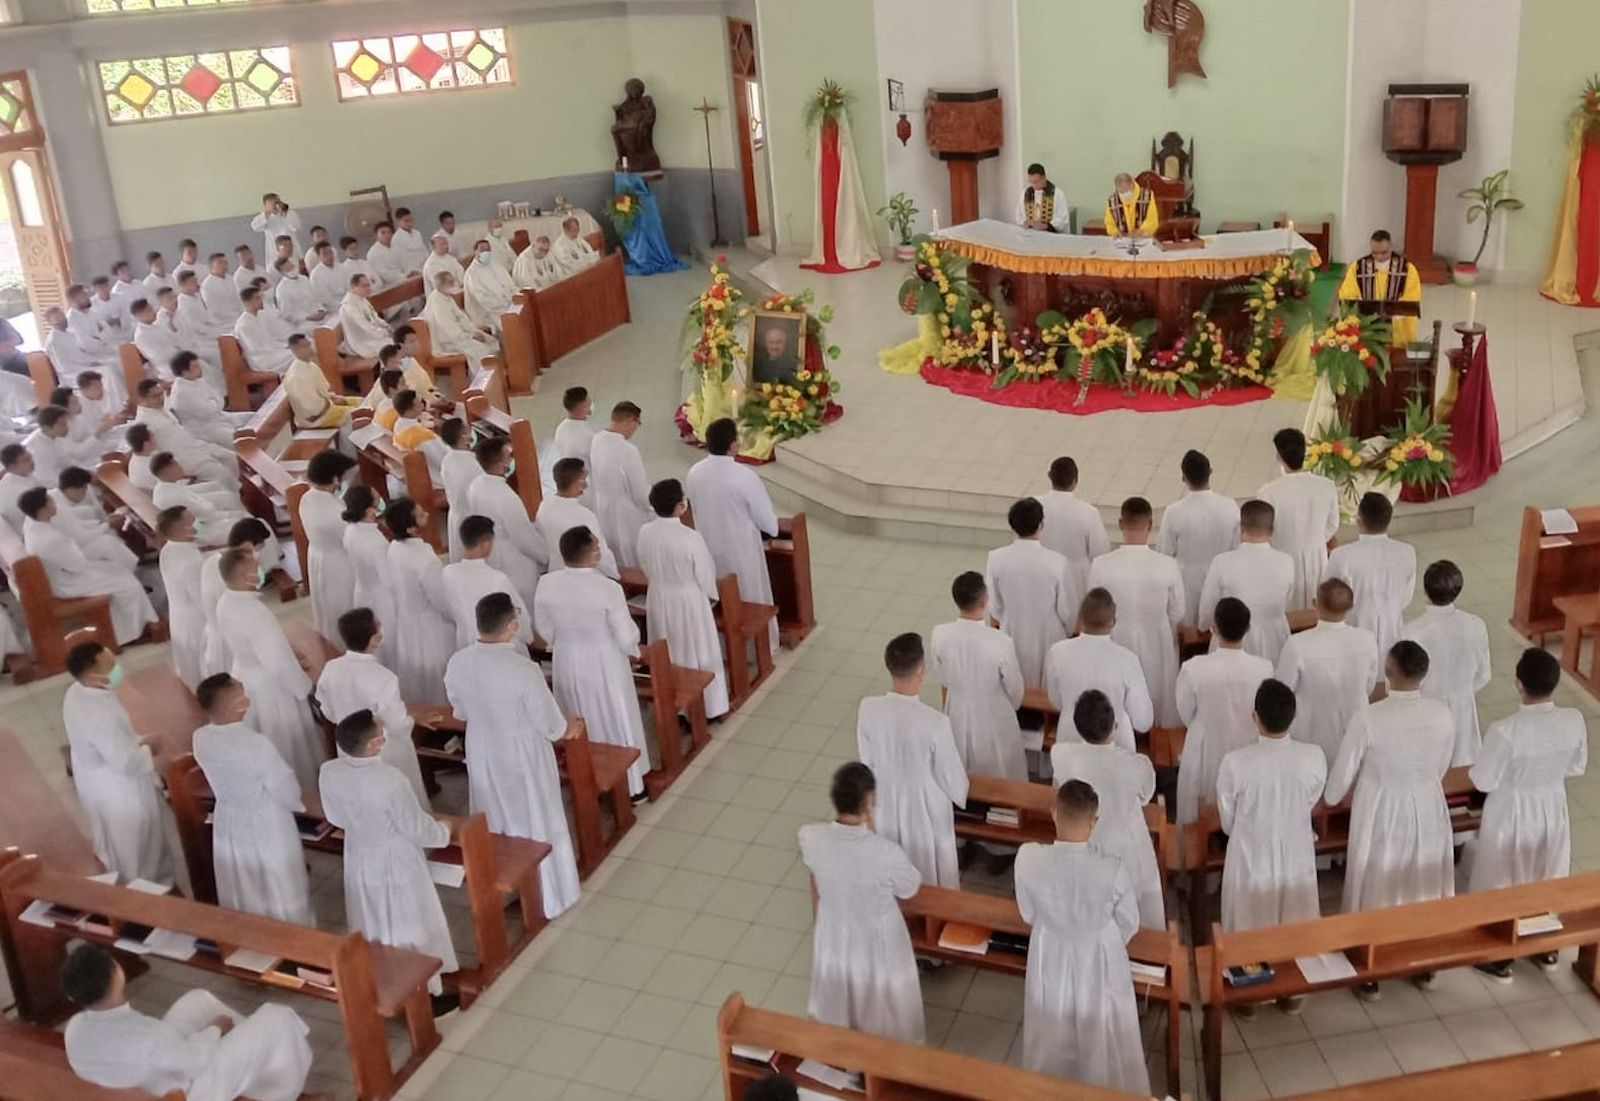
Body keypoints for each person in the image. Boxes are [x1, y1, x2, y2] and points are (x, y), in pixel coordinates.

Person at [1325, 641, 1454, 997]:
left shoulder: (1370, 717)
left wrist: (1332, 797)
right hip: (1426, 799)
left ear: (1389, 672)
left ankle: (1371, 965)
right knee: (1420, 876)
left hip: (1381, 804)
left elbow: (1341, 778)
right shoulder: (1442, 713)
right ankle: (1424, 961)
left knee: (1380, 875)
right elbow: (1443, 763)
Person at [445, 591, 582, 918]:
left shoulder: (459, 662)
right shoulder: (523, 670)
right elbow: (549, 723)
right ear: (511, 626)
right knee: (534, 813)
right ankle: (549, 892)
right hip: (522, 752)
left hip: (482, 748)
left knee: (496, 813)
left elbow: (460, 710)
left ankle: (507, 886)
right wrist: (569, 729)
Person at [318, 709, 459, 1012]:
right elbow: (415, 828)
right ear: (372, 745)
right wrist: (445, 832)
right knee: (409, 920)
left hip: (359, 854)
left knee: (374, 918)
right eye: (380, 732)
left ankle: (382, 979)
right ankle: (424, 993)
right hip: (395, 858)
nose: (384, 735)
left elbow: (334, 816)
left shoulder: (330, 771)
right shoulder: (389, 779)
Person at [1015, 779, 1147, 1092]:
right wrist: (1105, 941)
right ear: (1094, 821)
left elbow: (1028, 913)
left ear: (1053, 813)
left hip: (1050, 948)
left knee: (1052, 1018)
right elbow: (1129, 921)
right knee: (1102, 1022)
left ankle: (1052, 1085)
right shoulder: (1111, 868)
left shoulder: (1028, 857)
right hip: (1099, 953)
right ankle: (1103, 1084)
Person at [60, 944, 316, 1101]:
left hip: (150, 1080)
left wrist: (212, 1031)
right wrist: (215, 1030)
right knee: (276, 1017)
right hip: (186, 1093)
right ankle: (282, 1092)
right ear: (116, 975)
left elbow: (161, 1051)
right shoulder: (147, 1037)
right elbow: (194, 1063)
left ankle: (257, 1070)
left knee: (197, 1001)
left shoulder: (74, 1029)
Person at [1469, 648, 1588, 982]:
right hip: (1551, 802)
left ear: (1518, 685)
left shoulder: (1506, 730)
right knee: (1545, 869)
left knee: (1504, 874)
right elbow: (1577, 767)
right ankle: (1544, 944)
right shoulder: (1573, 719)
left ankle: (1500, 955)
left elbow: (1483, 779)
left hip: (1512, 807)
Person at [799, 762, 924, 1044]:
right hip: (876, 937)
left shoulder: (811, 837)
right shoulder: (885, 852)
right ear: (870, 801)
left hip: (834, 931)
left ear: (833, 798)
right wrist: (873, 831)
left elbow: (815, 878)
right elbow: (909, 887)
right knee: (884, 1006)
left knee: (841, 999)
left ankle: (841, 1050)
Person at [534, 526, 650, 798]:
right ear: (594, 553)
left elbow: (544, 627)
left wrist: (562, 640)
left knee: (577, 714)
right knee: (614, 715)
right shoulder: (607, 588)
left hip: (567, 658)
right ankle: (630, 785)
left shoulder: (547, 583)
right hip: (603, 660)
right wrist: (634, 650)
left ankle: (585, 781)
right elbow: (625, 633)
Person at [192, 672, 314, 925]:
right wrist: (298, 804)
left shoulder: (201, 737)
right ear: (234, 705)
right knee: (279, 883)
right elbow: (283, 786)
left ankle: (252, 934)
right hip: (267, 819)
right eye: (241, 694)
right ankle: (295, 936)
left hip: (230, 817)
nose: (247, 698)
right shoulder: (255, 743)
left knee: (244, 881)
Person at [1216, 680, 1326, 948]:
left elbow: (1227, 815)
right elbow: (1311, 798)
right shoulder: (1313, 756)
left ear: (1255, 718)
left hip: (1251, 849)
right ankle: (1295, 967)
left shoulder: (1235, 762)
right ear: (1293, 717)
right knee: (1296, 919)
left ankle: (1247, 967)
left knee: (1249, 921)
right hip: (1296, 845)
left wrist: (1240, 830)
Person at [856, 632, 968, 887]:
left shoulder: (868, 708)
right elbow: (950, 775)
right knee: (929, 867)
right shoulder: (935, 722)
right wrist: (961, 794)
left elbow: (866, 761)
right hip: (924, 806)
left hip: (883, 800)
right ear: (920, 668)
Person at [1049, 691, 1163, 930]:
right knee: (1134, 911)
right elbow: (1145, 795)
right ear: (1116, 725)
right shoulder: (1135, 765)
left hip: (1082, 840)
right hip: (1124, 847)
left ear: (1078, 727)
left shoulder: (1061, 755)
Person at [62, 640, 171, 882]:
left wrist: (138, 739)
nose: (117, 668)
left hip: (95, 777)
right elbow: (124, 761)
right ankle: (147, 889)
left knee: (115, 839)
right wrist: (149, 748)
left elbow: (113, 741)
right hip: (118, 786)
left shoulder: (78, 692)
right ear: (92, 674)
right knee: (137, 842)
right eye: (110, 665)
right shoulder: (99, 714)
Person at [216, 547, 323, 789]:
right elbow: (276, 661)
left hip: (246, 676)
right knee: (288, 743)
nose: (261, 571)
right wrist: (305, 686)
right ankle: (301, 789)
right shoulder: (254, 612)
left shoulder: (226, 601)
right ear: (245, 578)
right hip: (272, 688)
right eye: (256, 569)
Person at [635, 478, 729, 719]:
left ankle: (678, 708)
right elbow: (705, 572)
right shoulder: (689, 537)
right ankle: (709, 707)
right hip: (688, 598)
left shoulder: (645, 532)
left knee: (671, 648)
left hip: (658, 595)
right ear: (680, 506)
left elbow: (644, 563)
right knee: (697, 647)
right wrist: (711, 596)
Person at [1175, 597, 1274, 824]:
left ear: (1214, 629)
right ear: (1248, 628)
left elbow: (1185, 712)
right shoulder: (1264, 668)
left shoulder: (1194, 668)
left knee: (1200, 815)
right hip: (1248, 746)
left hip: (1206, 747)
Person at [1088, 497, 1185, 726]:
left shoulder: (1101, 565)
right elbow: (1178, 611)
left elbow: (1092, 607)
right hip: (1158, 641)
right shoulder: (1168, 564)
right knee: (1156, 695)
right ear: (1150, 526)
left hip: (1116, 639)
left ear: (1120, 524)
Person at [316, 607, 429, 803]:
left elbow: (327, 710)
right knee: (400, 799)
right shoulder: (383, 678)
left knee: (362, 797)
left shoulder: (331, 669)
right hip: (385, 749)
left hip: (350, 744)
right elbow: (397, 725)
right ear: (375, 639)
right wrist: (413, 719)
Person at [685, 418, 780, 649]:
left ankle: (723, 647)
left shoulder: (694, 472)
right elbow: (770, 525)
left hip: (708, 548)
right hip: (741, 551)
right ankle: (758, 649)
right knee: (748, 598)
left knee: (719, 598)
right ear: (734, 446)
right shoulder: (745, 476)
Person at [21, 488, 158, 644]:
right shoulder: (50, 538)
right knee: (128, 585)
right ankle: (127, 635)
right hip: (67, 582)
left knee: (118, 570)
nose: (55, 503)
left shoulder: (32, 523)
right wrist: (77, 548)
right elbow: (77, 565)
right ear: (42, 510)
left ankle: (138, 623)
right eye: (50, 501)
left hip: (64, 573)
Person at [929, 570, 1026, 780]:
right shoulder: (1000, 641)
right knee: (1001, 771)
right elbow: (1015, 690)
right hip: (994, 713)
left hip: (957, 710)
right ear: (985, 599)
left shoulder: (940, 634)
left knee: (961, 766)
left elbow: (943, 678)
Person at [1274, 578, 1380, 763]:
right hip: (1355, 718)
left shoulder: (1298, 644)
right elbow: (1369, 684)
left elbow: (1283, 689)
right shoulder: (1367, 639)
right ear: (1351, 606)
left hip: (1311, 726)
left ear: (1315, 604)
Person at [1400, 559, 1492, 766]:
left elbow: (1402, 681)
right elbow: (1484, 674)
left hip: (1424, 712)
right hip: (1463, 708)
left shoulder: (1411, 632)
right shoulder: (1476, 625)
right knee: (1462, 765)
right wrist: (1460, 693)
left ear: (1425, 593)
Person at [1043, 588, 1152, 754]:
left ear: (1080, 618)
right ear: (1113, 622)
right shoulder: (1127, 659)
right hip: (1115, 743)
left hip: (1071, 738)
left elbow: (1056, 700)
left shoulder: (1057, 652)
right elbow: (1143, 721)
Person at [984, 497, 1076, 688]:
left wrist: (1009, 618)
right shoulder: (1057, 562)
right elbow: (1067, 611)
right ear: (1041, 525)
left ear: (1012, 526)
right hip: (1049, 637)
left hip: (1011, 632)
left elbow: (994, 605)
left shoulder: (996, 558)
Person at [1325, 492, 1416, 674]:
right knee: (1388, 676)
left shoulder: (1342, 555)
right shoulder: (1407, 552)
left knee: (1356, 675)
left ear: (1359, 519)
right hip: (1392, 625)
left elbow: (1330, 597)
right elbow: (1406, 597)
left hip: (1353, 627)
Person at [1196, 499, 1296, 663]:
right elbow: (1287, 600)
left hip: (1232, 638)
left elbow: (1208, 606)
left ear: (1241, 529)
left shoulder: (1222, 561)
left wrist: (1203, 626)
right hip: (1275, 637)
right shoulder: (1287, 561)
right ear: (1272, 530)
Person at [1257, 428, 1340, 610]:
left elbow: (1264, 530)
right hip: (1316, 557)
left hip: (1282, 558)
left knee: (1287, 611)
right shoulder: (1326, 486)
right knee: (1316, 609)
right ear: (1305, 453)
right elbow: (1333, 523)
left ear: (1278, 457)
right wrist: (1316, 539)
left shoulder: (1268, 492)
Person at [1157, 449, 1240, 625]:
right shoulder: (1230, 506)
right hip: (1222, 581)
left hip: (1186, 584)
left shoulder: (1174, 512)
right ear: (1210, 472)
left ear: (1183, 478)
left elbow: (1164, 553)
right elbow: (1236, 547)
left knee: (1186, 635)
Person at [467, 435, 547, 611]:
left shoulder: (476, 484)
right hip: (513, 557)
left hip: (491, 552)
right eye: (509, 455)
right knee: (524, 602)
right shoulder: (505, 496)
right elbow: (523, 537)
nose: (513, 459)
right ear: (500, 463)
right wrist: (546, 556)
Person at [442, 514, 533, 650]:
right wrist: (529, 637)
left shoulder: (447, 573)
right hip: (498, 644)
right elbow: (518, 616)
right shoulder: (496, 579)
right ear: (485, 543)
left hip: (465, 643)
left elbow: (446, 610)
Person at [132, 378, 239, 489]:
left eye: (161, 394)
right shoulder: (143, 422)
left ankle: (241, 492)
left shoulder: (162, 408)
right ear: (142, 398)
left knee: (231, 457)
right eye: (155, 396)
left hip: (195, 446)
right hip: (181, 458)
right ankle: (234, 498)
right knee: (220, 474)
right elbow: (152, 452)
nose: (161, 399)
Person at [300, 450, 359, 643]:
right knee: (344, 606)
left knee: (325, 607)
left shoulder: (307, 498)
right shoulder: (336, 512)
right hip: (338, 563)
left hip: (318, 557)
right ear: (334, 478)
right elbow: (353, 539)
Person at [1034, 456, 1109, 605]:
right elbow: (1100, 553)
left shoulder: (1033, 506)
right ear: (1075, 481)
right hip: (1076, 584)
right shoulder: (1088, 513)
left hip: (1039, 578)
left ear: (1050, 476)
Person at [590, 401, 652, 568]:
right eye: (637, 424)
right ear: (631, 420)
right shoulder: (627, 450)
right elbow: (640, 492)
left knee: (614, 553)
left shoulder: (597, 439)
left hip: (604, 508)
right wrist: (653, 507)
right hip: (627, 514)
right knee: (633, 558)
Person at [342, 488, 397, 671]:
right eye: (376, 499)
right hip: (381, 596)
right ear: (369, 510)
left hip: (362, 589)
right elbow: (388, 578)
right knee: (387, 642)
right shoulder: (374, 540)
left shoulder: (350, 530)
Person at [1337, 229, 1421, 345]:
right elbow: (1347, 295)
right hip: (1367, 325)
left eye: (1384, 252)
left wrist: (1393, 312)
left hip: (1396, 326)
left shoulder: (1406, 269)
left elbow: (1412, 296)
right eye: (1375, 252)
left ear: (1391, 247)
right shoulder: (1358, 268)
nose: (1379, 256)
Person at [537, 458, 618, 578]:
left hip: (556, 572)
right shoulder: (584, 516)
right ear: (578, 482)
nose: (586, 484)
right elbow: (600, 552)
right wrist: (614, 574)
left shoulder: (545, 505)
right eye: (584, 479)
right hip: (584, 575)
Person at [157, 506, 207, 689]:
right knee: (203, 664)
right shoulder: (190, 561)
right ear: (181, 530)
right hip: (196, 620)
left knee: (189, 667)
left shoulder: (168, 548)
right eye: (193, 521)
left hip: (180, 614)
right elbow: (200, 597)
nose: (199, 523)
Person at [420, 270, 497, 370]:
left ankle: (496, 376)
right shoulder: (437, 303)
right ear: (441, 285)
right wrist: (472, 336)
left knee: (491, 341)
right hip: (448, 342)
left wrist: (474, 331)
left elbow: (462, 318)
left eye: (453, 282)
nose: (454, 285)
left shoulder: (446, 297)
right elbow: (448, 329)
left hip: (461, 337)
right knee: (482, 351)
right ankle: (482, 382)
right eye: (450, 283)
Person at [167, 352, 243, 450]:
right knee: (241, 441)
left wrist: (215, 403)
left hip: (220, 417)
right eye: (196, 367)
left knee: (255, 418)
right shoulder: (182, 393)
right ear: (185, 371)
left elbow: (220, 399)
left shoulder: (196, 380)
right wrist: (216, 403)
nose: (200, 369)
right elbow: (208, 412)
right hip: (206, 429)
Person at [283, 333, 359, 431]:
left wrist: (333, 398)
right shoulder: (296, 376)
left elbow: (322, 392)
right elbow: (310, 409)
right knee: (358, 414)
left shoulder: (310, 365)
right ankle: (349, 446)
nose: (311, 349)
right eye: (306, 346)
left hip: (324, 406)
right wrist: (332, 403)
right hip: (315, 418)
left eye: (309, 344)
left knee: (361, 402)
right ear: (296, 350)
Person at [25, 404, 101, 486]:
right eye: (62, 425)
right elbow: (47, 481)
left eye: (66, 423)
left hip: (61, 479)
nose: (67, 427)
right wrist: (81, 479)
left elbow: (66, 461)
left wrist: (86, 471)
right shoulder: (37, 449)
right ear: (46, 427)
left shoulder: (55, 436)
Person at [439, 418, 479, 560]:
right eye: (468, 430)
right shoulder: (472, 464)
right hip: (472, 514)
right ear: (464, 436)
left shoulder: (447, 459)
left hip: (456, 513)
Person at [463, 238, 517, 332]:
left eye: (488, 250)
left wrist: (515, 298)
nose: (486, 252)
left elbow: (511, 284)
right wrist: (506, 304)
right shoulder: (472, 274)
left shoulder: (496, 264)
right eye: (482, 250)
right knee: (513, 325)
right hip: (490, 313)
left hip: (509, 304)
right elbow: (483, 300)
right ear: (475, 252)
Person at [339, 274, 394, 361]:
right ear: (354, 287)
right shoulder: (349, 306)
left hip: (372, 336)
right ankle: (390, 372)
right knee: (391, 346)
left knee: (396, 341)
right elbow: (365, 326)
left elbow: (374, 317)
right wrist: (384, 332)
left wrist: (386, 326)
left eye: (369, 285)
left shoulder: (362, 300)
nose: (368, 288)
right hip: (361, 343)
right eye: (364, 286)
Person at [130, 296, 182, 380]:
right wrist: (178, 353)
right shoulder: (141, 335)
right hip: (167, 366)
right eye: (149, 310)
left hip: (177, 357)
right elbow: (158, 356)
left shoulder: (157, 326)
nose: (154, 311)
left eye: (151, 308)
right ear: (139, 315)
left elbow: (173, 340)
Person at [548, 385, 598, 472]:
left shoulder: (561, 428)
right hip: (586, 476)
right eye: (589, 403)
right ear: (583, 407)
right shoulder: (587, 435)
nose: (591, 405)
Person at [273, 255, 324, 329]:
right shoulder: (281, 289)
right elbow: (287, 315)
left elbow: (316, 296)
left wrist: (320, 310)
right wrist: (308, 317)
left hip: (317, 314)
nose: (292, 269)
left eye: (292, 266)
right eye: (288, 269)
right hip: (302, 323)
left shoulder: (304, 279)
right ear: (282, 273)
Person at [1017, 162, 1071, 233]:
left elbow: (1063, 219)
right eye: (1031, 181)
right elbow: (1019, 216)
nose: (1033, 185)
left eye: (1036, 181)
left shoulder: (1057, 194)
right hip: (1031, 236)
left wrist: (1044, 226)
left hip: (1051, 236)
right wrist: (1025, 223)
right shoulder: (1025, 194)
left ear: (1044, 178)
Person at [1103, 172, 1159, 237]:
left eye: (1126, 190)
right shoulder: (1112, 201)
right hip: (1122, 241)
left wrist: (1140, 231)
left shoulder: (1147, 196)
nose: (1123, 194)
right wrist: (1115, 232)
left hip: (1142, 239)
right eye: (1121, 192)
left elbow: (1152, 219)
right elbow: (1109, 223)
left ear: (1132, 185)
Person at [0, 441, 38, 528]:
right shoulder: (22, 491)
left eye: (30, 457)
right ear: (12, 466)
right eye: (26, 460)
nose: (32, 462)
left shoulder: (21, 475)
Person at [251, 192, 302, 257]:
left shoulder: (290, 213)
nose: (275, 205)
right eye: (272, 203)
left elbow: (296, 227)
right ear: (266, 205)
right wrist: (267, 213)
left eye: (277, 202)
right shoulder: (264, 217)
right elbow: (255, 227)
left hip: (292, 251)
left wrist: (285, 214)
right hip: (274, 251)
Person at [200, 253, 241, 332]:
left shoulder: (231, 279)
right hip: (220, 323)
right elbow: (214, 309)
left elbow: (239, 300)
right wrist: (233, 317)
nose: (224, 265)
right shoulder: (207, 285)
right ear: (212, 266)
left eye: (225, 262)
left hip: (237, 318)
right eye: (220, 263)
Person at [308, 241, 346, 315]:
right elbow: (325, 299)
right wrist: (342, 304)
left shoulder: (341, 267)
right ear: (318, 256)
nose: (329, 256)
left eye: (330, 252)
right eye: (325, 254)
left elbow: (350, 286)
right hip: (333, 309)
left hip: (348, 302)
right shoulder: (316, 275)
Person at [390, 207, 430, 275]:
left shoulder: (417, 233)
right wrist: (408, 273)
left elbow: (423, 250)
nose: (409, 223)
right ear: (398, 221)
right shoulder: (396, 239)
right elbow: (399, 260)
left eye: (411, 220)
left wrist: (428, 263)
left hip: (424, 268)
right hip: (411, 272)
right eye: (406, 221)